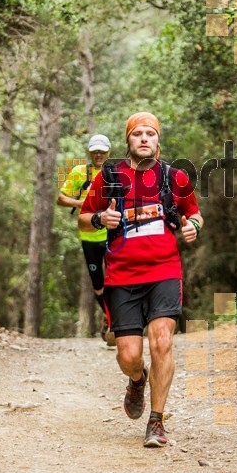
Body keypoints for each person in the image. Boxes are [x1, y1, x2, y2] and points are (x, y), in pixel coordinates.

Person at [78, 112, 203, 447]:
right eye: (138, 134)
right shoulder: (109, 176)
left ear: (158, 140)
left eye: (150, 133)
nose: (144, 138)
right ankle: (137, 380)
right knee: (129, 355)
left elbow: (194, 213)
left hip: (164, 270)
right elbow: (83, 219)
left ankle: (157, 422)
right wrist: (101, 217)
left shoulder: (174, 177)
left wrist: (194, 227)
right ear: (128, 141)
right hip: (121, 275)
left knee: (162, 341)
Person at [57, 133, 115, 344]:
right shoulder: (79, 172)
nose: (99, 154)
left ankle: (113, 321)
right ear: (90, 153)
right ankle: (109, 318)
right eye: (95, 151)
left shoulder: (117, 172)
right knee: (98, 284)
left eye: (102, 150)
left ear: (109, 151)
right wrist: (82, 204)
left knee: (116, 279)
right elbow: (61, 198)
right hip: (89, 234)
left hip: (113, 234)